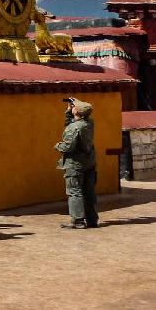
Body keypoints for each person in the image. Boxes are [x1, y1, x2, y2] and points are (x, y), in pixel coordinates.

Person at [55, 97, 98, 229]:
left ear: (78, 112)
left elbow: (68, 146)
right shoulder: (89, 123)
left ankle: (78, 221)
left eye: (74, 107)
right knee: (88, 191)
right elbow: (73, 123)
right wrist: (69, 111)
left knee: (74, 191)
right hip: (89, 162)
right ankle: (92, 220)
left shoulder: (74, 128)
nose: (72, 107)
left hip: (75, 164)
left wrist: (58, 146)